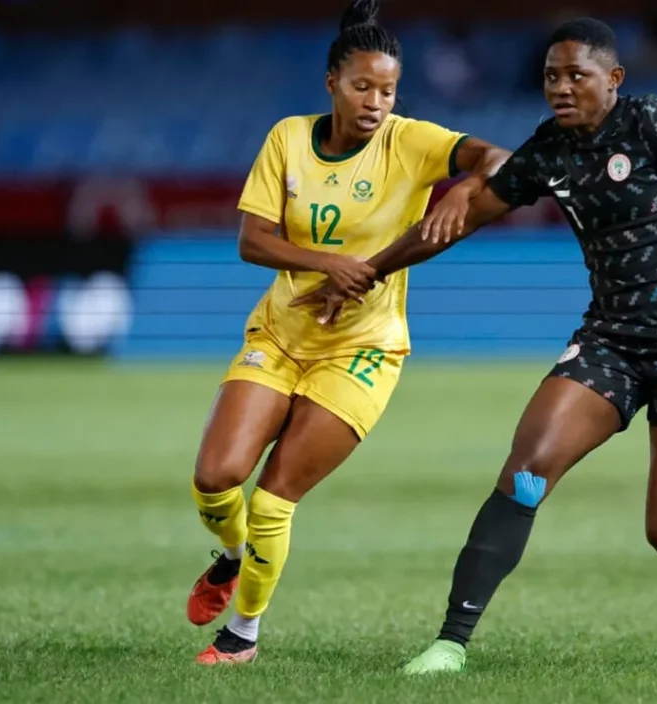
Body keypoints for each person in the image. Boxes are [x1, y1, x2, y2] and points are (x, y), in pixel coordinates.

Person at [298, 17, 657, 674]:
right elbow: (462, 217)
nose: (560, 86)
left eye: (576, 75)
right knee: (526, 472)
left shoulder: (651, 123)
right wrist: (368, 272)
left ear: (613, 80)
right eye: (551, 75)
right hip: (611, 340)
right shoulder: (548, 150)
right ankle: (450, 643)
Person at [185, 0, 509, 665]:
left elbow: (499, 160)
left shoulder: (412, 141)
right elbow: (253, 240)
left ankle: (242, 635)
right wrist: (327, 262)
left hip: (363, 349)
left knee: (276, 495)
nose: (376, 102)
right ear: (332, 82)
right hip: (280, 333)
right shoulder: (287, 139)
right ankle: (232, 554)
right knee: (216, 478)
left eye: (387, 89)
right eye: (362, 86)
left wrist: (460, 187)